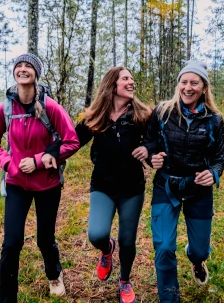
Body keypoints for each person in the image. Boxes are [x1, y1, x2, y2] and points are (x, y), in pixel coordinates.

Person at [0, 53, 80, 302]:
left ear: (36, 74)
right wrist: (8, 163)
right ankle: (7, 298)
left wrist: (39, 160)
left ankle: (54, 273)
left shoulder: (50, 107)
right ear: (14, 73)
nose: (23, 69)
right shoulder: (5, 108)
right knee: (11, 243)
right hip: (16, 184)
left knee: (44, 239)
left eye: (29, 66)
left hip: (47, 184)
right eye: (19, 66)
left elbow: (72, 142)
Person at [143, 60, 224, 303]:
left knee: (200, 249)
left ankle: (196, 259)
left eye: (194, 82)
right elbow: (149, 143)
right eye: (184, 82)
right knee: (164, 247)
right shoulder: (162, 112)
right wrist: (151, 156)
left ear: (204, 87)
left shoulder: (215, 120)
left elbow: (219, 157)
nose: (188, 87)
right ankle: (169, 298)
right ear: (178, 84)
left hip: (198, 190)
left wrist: (213, 173)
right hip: (166, 186)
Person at [75, 67, 152, 303]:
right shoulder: (96, 116)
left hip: (132, 189)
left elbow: (155, 142)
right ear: (112, 84)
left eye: (132, 79)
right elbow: (71, 142)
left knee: (128, 240)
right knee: (96, 234)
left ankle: (125, 281)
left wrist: (149, 150)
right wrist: (46, 156)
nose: (131, 82)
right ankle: (107, 248)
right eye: (126, 78)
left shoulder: (142, 115)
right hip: (103, 186)